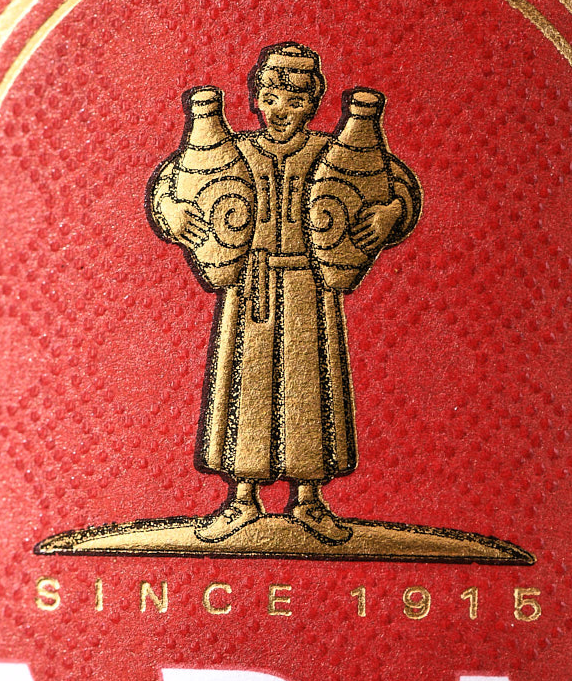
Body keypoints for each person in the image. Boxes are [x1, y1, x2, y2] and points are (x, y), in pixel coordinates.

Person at [151, 42, 420, 543]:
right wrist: (171, 212)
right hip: (249, 282)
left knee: (309, 385)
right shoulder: (236, 149)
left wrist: (391, 213)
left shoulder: (332, 152)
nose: (281, 110)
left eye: (295, 101)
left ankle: (309, 500)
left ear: (313, 104)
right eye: (271, 98)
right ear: (256, 99)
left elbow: (394, 182)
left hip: (309, 285)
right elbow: (176, 178)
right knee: (246, 387)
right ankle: (242, 499)